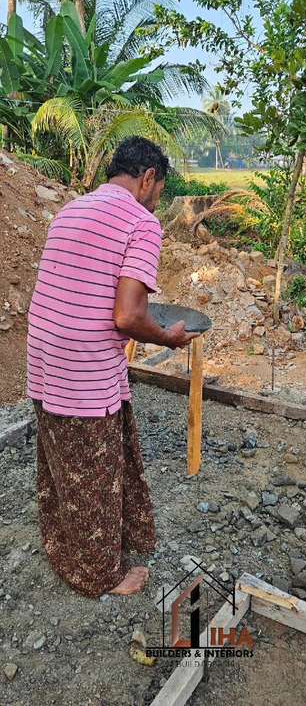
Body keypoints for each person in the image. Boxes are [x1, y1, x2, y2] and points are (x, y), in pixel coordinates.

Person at [27, 136, 197, 598]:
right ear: (147, 180)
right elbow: (127, 315)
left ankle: (63, 544)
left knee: (63, 461)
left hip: (44, 355)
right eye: (159, 192)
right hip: (84, 365)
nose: (157, 203)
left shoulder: (70, 210)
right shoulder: (141, 222)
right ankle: (102, 574)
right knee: (96, 476)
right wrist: (168, 337)